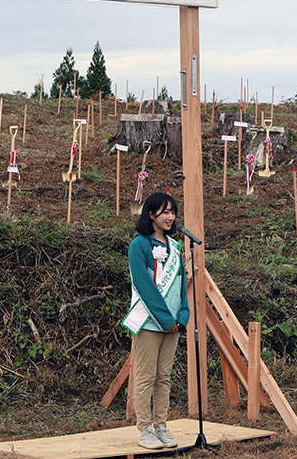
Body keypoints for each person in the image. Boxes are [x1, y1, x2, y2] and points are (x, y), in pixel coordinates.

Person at [121, 192, 189, 450]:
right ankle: (145, 429)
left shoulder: (175, 247)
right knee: (146, 376)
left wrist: (182, 315)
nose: (171, 217)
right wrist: (164, 318)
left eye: (173, 211)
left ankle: (161, 425)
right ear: (151, 214)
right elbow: (144, 286)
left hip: (173, 323)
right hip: (150, 322)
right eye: (165, 212)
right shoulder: (138, 246)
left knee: (165, 376)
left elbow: (182, 284)